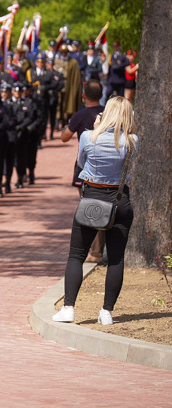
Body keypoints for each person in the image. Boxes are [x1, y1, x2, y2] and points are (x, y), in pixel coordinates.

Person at [52, 97, 137, 325]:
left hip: (92, 198)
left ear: (105, 113)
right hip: (120, 201)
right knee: (116, 259)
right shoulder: (131, 141)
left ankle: (69, 307)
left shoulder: (89, 137)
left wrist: (97, 127)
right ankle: (107, 312)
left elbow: (81, 162)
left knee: (76, 255)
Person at [61, 80, 105, 263]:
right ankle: (97, 250)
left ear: (83, 96)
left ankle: (94, 253)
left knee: (89, 207)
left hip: (84, 166)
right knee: (103, 205)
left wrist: (70, 125)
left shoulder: (79, 115)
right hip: (105, 164)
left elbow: (65, 137)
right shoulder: (108, 114)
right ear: (102, 96)